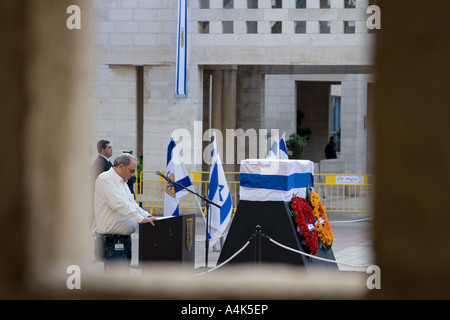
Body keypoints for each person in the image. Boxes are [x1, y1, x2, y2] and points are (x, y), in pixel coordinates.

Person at [94, 153, 157, 270]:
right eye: (131, 171)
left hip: (124, 240)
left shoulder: (123, 182)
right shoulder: (105, 179)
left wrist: (147, 216)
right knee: (116, 282)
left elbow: (132, 205)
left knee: (123, 279)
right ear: (121, 166)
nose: (133, 175)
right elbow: (119, 205)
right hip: (112, 242)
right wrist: (141, 219)